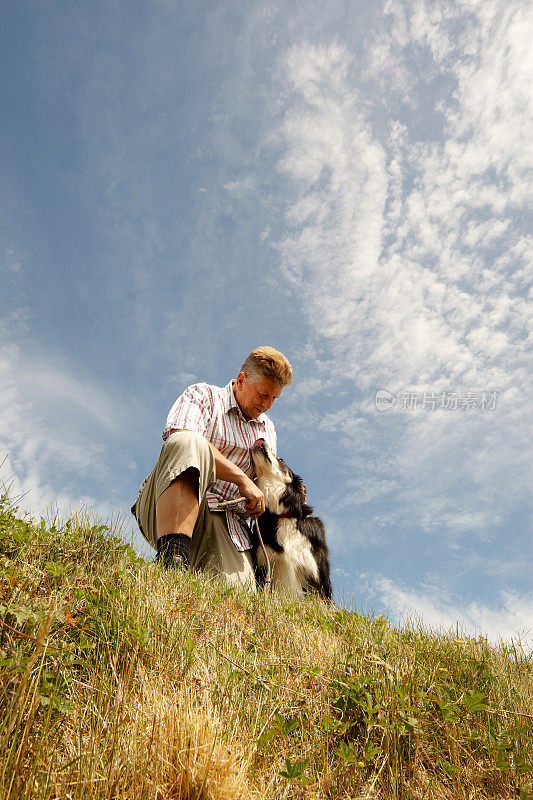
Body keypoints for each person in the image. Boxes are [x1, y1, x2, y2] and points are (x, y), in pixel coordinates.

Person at [131, 346, 293, 587]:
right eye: (262, 394)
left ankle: (199, 566)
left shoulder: (267, 429)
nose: (267, 404)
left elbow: (262, 483)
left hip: (226, 523)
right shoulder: (202, 395)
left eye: (274, 398)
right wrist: (242, 479)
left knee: (236, 593)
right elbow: (182, 437)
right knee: (188, 440)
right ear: (241, 379)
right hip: (171, 499)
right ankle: (172, 558)